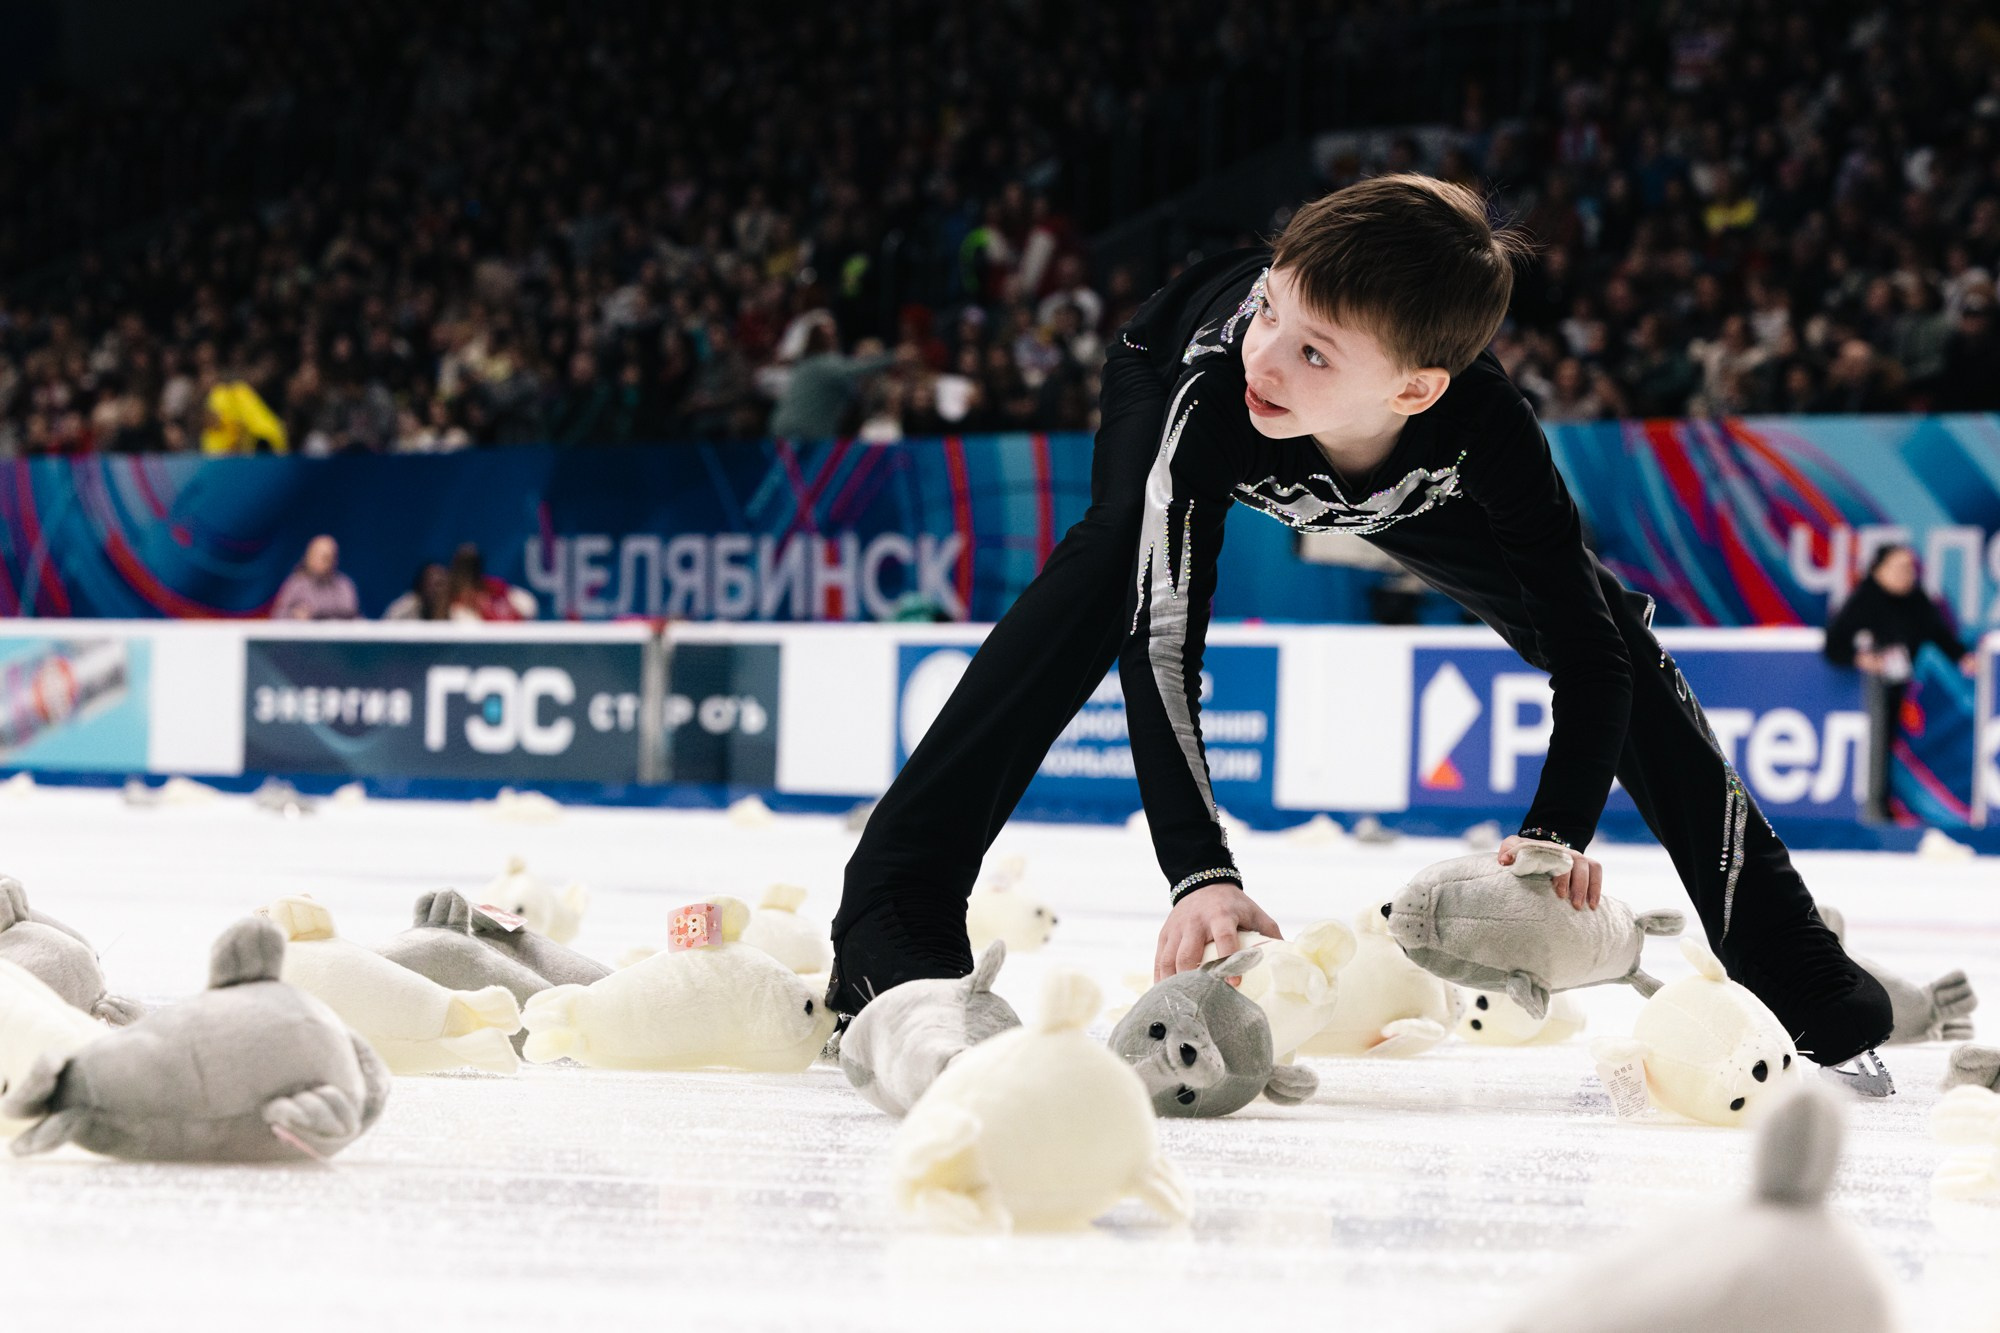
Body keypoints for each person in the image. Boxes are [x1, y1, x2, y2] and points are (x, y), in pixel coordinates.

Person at [829, 173, 1893, 1082]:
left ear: (1419, 387)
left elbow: (1589, 651)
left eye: (1315, 353)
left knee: (1617, 628)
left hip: (1408, 481)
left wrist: (1553, 830)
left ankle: (1794, 967)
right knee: (1112, 564)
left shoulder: (1482, 429)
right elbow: (1160, 643)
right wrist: (1200, 872)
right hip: (1159, 370)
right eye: (1268, 309)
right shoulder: (1213, 389)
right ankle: (890, 907)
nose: (1269, 357)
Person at [1822, 544, 1976, 822]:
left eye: (1909, 569)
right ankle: (1875, 809)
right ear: (1878, 570)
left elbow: (1939, 634)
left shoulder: (1917, 599)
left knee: (1897, 749)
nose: (1905, 575)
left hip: (1901, 688)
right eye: (1897, 568)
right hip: (1867, 694)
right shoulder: (1864, 600)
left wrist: (1962, 656)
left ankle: (1894, 808)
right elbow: (1834, 645)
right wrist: (1861, 659)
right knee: (1874, 748)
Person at [271, 535, 359, 620]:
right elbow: (278, 617)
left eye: (330, 557)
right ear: (309, 556)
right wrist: (294, 616)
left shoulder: (344, 585)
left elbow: (353, 616)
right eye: (322, 557)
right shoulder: (296, 584)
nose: (327, 562)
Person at [447, 544, 537, 621]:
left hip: (514, 633)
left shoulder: (495, 587)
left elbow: (529, 606)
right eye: (465, 568)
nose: (468, 573)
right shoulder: (457, 600)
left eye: (472, 567)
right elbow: (471, 631)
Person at [382, 563, 453, 620]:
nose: (437, 590)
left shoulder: (453, 609)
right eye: (433, 584)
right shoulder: (405, 608)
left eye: (441, 584)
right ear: (422, 584)